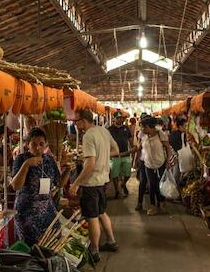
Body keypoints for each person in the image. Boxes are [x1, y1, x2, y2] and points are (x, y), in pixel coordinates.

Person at [69, 109, 119, 263]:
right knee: (102, 212)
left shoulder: (88, 135)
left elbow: (90, 164)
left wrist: (76, 183)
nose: (76, 125)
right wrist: (102, 156)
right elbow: (116, 150)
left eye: (76, 121)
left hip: (91, 183)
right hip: (103, 180)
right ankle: (111, 242)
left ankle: (94, 251)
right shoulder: (103, 131)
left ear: (83, 120)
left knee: (92, 217)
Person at [11, 127, 69, 246]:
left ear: (46, 144)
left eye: (41, 144)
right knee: (33, 246)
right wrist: (26, 166)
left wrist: (68, 170)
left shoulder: (49, 160)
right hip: (27, 211)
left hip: (47, 208)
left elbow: (59, 183)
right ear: (27, 144)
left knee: (55, 239)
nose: (37, 148)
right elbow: (15, 186)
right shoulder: (21, 159)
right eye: (34, 144)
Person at [139, 116, 172, 215]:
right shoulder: (143, 135)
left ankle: (161, 203)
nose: (142, 129)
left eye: (144, 127)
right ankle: (153, 206)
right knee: (152, 186)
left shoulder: (160, 134)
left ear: (150, 127)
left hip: (161, 163)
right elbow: (140, 147)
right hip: (148, 164)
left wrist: (168, 162)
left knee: (160, 185)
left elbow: (168, 148)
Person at [108, 111, 135, 198]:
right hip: (114, 156)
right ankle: (116, 191)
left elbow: (130, 140)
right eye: (118, 118)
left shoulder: (126, 128)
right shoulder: (110, 129)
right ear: (114, 119)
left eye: (121, 118)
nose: (120, 119)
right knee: (115, 175)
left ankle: (123, 184)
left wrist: (132, 147)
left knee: (127, 174)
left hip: (126, 155)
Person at [134, 114, 151, 212]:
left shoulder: (157, 133)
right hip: (144, 160)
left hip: (153, 161)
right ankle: (140, 203)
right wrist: (137, 159)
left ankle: (156, 204)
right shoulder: (141, 132)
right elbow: (139, 146)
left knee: (152, 183)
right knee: (143, 181)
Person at [169, 117, 187, 184]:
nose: (186, 128)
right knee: (175, 176)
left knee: (176, 175)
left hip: (176, 158)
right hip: (176, 158)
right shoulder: (177, 135)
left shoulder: (180, 134)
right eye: (185, 126)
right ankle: (173, 191)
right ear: (180, 126)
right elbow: (175, 147)